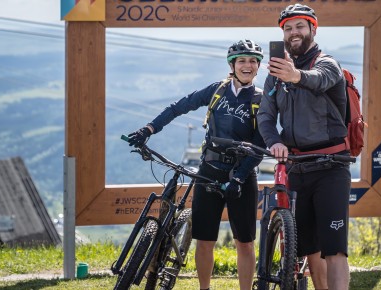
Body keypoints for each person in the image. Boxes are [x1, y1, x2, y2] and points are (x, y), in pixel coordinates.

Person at [126, 39, 266, 290]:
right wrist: (149, 129)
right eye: (242, 61)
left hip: (242, 176)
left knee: (245, 242)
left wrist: (239, 177)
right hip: (209, 172)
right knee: (204, 240)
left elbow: (259, 146)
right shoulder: (217, 90)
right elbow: (179, 107)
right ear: (232, 65)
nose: (247, 65)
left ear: (258, 66)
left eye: (253, 61)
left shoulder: (261, 99)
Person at [256, 4, 351, 290]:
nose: (293, 32)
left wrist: (294, 75)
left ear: (313, 29)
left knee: (334, 250)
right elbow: (265, 116)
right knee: (310, 248)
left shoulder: (327, 63)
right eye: (287, 28)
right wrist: (274, 141)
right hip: (297, 168)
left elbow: (319, 80)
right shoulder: (275, 75)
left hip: (331, 168)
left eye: (300, 26)